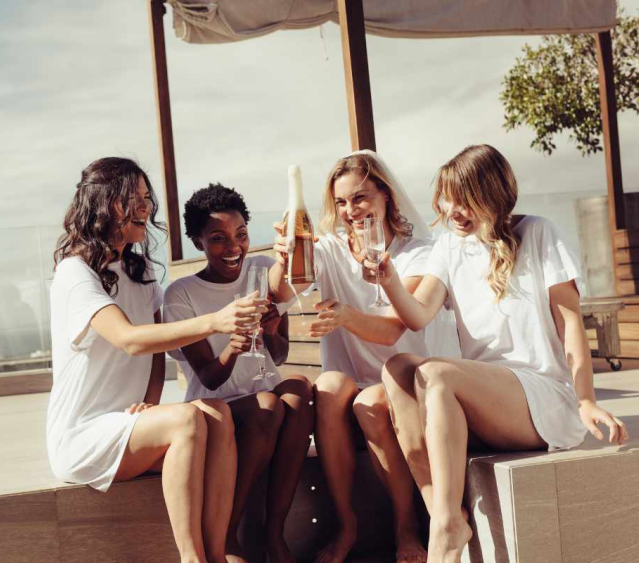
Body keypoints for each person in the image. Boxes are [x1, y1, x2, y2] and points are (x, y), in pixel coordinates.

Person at [371, 145, 629, 563]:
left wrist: (585, 400)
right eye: (446, 197)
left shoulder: (539, 233)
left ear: (491, 194)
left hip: (541, 398)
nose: (451, 209)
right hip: (482, 400)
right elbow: (417, 316)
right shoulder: (450, 247)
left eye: (463, 198)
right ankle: (444, 512)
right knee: (398, 368)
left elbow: (570, 325)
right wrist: (389, 281)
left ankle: (444, 531)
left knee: (436, 375)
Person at [47, 158, 267, 563]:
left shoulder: (138, 267)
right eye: (135, 198)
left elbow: (154, 354)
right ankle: (192, 559)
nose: (146, 209)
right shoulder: (75, 273)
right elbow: (131, 340)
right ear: (104, 203)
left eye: (147, 198)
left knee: (216, 414)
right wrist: (215, 321)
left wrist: (150, 403)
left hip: (129, 424)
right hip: (82, 436)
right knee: (186, 418)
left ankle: (218, 554)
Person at [272, 150, 459, 563]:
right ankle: (348, 524)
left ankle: (406, 526)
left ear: (385, 195)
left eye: (359, 198)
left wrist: (345, 317)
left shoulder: (420, 252)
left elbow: (396, 326)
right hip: (357, 378)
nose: (350, 211)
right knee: (328, 386)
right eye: (340, 202)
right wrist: (286, 255)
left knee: (371, 402)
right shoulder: (332, 247)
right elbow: (286, 290)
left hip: (409, 378)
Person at [164, 184, 314, 563]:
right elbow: (210, 377)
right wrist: (234, 340)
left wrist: (269, 329)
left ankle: (273, 531)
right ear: (198, 242)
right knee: (268, 402)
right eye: (218, 239)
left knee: (297, 387)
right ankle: (228, 532)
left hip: (264, 400)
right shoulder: (181, 294)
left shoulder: (264, 270)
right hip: (216, 405)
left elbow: (279, 355)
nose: (233, 247)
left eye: (241, 234)